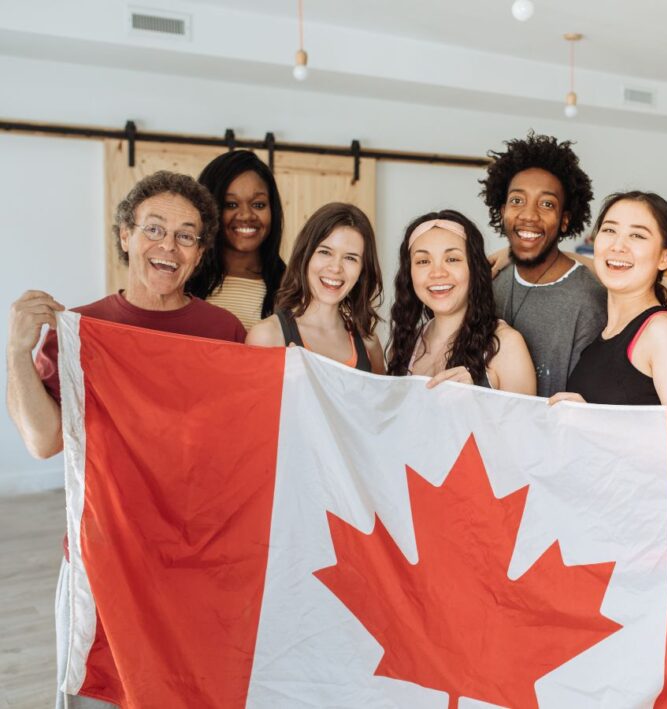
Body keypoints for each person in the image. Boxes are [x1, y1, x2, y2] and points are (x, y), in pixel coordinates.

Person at [5, 171, 246, 709]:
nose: (168, 246)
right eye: (154, 229)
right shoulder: (82, 330)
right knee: (101, 696)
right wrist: (17, 353)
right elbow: (43, 442)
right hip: (104, 559)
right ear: (124, 235)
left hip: (195, 563)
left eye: (186, 235)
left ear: (201, 251)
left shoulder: (225, 334)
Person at [480, 132, 605, 396]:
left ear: (564, 220)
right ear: (502, 211)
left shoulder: (587, 300)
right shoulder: (490, 281)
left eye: (547, 204)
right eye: (517, 200)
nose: (528, 215)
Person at [551, 192, 667, 406]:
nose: (618, 245)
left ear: (665, 257)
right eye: (610, 230)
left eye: (637, 235)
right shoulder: (604, 334)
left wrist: (591, 419)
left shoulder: (662, 332)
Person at [387, 210, 535, 395]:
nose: (437, 272)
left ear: (474, 269)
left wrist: (476, 399)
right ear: (409, 274)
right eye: (423, 261)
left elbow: (525, 424)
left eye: (452, 259)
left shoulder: (506, 345)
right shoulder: (403, 346)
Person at [246, 203, 385, 373]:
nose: (335, 268)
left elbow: (384, 400)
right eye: (325, 252)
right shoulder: (267, 336)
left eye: (350, 258)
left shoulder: (368, 343)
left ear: (362, 270)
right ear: (305, 255)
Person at [186, 150, 286, 329]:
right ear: (208, 210)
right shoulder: (184, 279)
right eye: (230, 204)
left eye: (258, 205)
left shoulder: (292, 287)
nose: (246, 215)